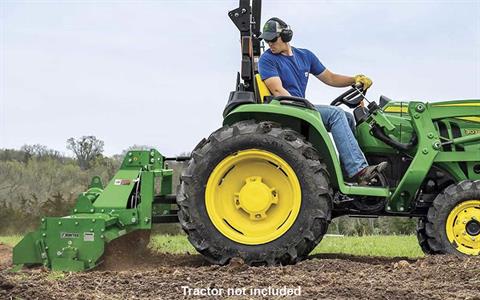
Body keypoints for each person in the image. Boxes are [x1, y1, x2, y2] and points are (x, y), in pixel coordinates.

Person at [258, 17, 386, 185]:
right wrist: (303, 106)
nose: (269, 43)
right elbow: (277, 90)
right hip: (288, 107)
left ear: (286, 36)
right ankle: (360, 171)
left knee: (347, 117)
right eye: (266, 40)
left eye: (272, 39)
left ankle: (349, 173)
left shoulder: (305, 56)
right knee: (336, 114)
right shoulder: (267, 60)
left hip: (300, 107)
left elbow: (330, 78)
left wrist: (354, 79)